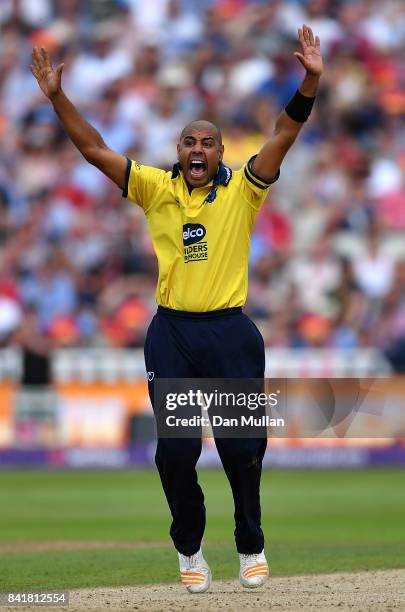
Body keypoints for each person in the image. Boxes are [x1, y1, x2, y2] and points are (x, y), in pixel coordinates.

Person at [31, 24, 323, 594]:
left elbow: (285, 130)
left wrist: (310, 80)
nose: (196, 150)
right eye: (189, 142)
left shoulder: (245, 188)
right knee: (176, 453)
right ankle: (190, 549)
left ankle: (250, 543)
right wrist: (56, 97)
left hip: (231, 333)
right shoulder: (154, 187)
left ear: (220, 152)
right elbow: (93, 149)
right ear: (179, 150)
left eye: (207, 143)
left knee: (244, 450)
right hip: (173, 335)